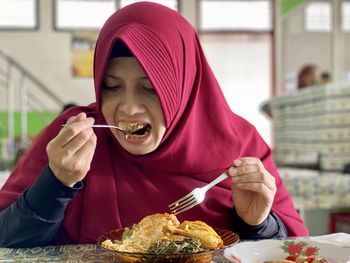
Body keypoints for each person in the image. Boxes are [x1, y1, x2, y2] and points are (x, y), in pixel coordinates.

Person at [0, 2, 308, 248]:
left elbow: (296, 248)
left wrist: (257, 223)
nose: (128, 109)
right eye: (111, 86)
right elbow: (7, 242)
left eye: (150, 89)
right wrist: (56, 183)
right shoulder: (74, 138)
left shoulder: (240, 144)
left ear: (184, 88)